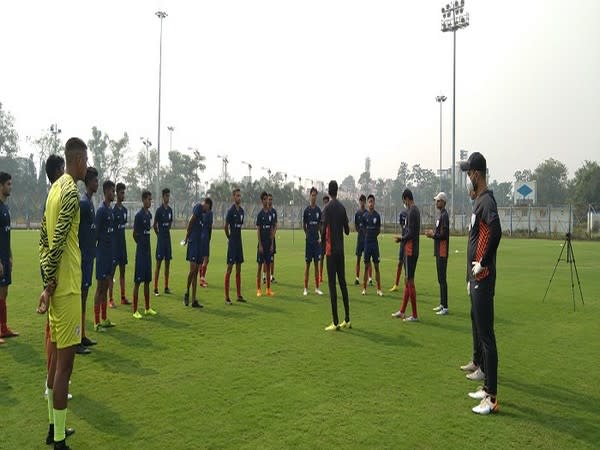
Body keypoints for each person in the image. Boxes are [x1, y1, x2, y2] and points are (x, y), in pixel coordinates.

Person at [37, 137, 88, 449]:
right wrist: (51, 283)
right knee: (64, 369)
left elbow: (43, 239)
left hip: (58, 287)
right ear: (79, 159)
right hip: (67, 289)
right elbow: (55, 240)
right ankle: (58, 441)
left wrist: (46, 278)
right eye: (85, 159)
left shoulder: (53, 189)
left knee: (55, 361)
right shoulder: (70, 191)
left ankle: (52, 428)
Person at [460, 152, 501, 415]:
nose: (467, 178)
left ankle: (492, 398)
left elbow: (496, 231)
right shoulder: (480, 202)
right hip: (476, 278)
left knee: (487, 336)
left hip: (483, 277)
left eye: (468, 173)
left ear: (477, 174)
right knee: (481, 329)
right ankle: (486, 389)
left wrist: (483, 262)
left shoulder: (487, 201)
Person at [461, 185, 485, 382]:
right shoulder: (474, 210)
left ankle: (482, 366)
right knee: (473, 316)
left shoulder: (484, 206)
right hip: (472, 273)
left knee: (480, 321)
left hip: (480, 274)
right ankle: (476, 360)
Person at [76, 167, 99, 355]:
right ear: (89, 182)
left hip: (89, 257)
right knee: (79, 298)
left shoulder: (90, 202)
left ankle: (82, 334)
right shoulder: (83, 203)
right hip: (82, 259)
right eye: (95, 181)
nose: (97, 183)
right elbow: (76, 233)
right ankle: (76, 339)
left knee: (84, 297)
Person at [322, 180, 350, 331]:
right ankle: (348, 318)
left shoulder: (327, 208)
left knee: (332, 286)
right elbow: (347, 230)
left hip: (331, 251)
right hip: (341, 251)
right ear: (337, 190)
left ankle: (335, 321)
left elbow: (323, 227)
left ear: (328, 191)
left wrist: (322, 239)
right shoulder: (342, 208)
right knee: (343, 283)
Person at [392, 189, 420, 322]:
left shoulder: (413, 211)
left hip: (411, 250)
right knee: (407, 280)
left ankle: (414, 315)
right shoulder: (411, 211)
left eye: (404, 201)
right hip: (408, 249)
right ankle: (402, 311)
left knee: (410, 281)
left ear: (407, 199)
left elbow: (412, 233)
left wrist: (401, 238)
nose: (404, 204)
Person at [93, 180, 117, 331]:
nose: (113, 193)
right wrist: (98, 253)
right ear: (106, 191)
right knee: (100, 288)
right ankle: (96, 322)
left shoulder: (110, 210)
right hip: (102, 254)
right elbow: (95, 234)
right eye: (112, 191)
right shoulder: (101, 210)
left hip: (110, 254)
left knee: (107, 285)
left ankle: (104, 318)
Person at [132, 190, 157, 319]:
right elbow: (134, 234)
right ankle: (135, 310)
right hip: (141, 253)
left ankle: (147, 308)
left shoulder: (149, 215)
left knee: (147, 281)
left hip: (148, 253)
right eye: (148, 199)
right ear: (143, 200)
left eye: (151, 199)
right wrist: (140, 244)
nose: (150, 201)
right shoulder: (139, 216)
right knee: (138, 282)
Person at [0, 172, 18, 342]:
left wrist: (10, 256)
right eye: (8, 184)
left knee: (4, 292)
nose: (10, 187)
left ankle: (3, 328)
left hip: (5, 257)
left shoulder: (6, 208)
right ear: (1, 186)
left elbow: (6, 236)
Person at [426, 192, 450, 315]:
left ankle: (445, 307)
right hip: (438, 251)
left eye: (438, 201)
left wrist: (433, 235)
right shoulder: (441, 215)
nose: (436, 203)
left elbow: (444, 235)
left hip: (442, 251)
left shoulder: (444, 216)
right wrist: (433, 233)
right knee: (440, 279)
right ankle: (442, 304)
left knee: (442, 279)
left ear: (443, 202)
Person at [109, 182, 129, 308]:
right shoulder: (113, 211)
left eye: (124, 192)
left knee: (123, 271)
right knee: (112, 273)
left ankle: (122, 297)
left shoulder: (125, 211)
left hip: (123, 245)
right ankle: (110, 299)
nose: (123, 195)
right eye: (121, 192)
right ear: (116, 194)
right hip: (114, 247)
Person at [224, 188, 246, 305]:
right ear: (233, 197)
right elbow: (225, 227)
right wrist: (230, 238)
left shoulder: (242, 211)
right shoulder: (230, 211)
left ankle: (238, 295)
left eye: (240, 196)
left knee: (239, 268)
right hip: (233, 242)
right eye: (237, 196)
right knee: (230, 268)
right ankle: (227, 297)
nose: (239, 197)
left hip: (239, 242)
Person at [302, 187, 323, 296]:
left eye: (315, 195)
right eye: (312, 195)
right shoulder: (307, 211)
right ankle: (305, 288)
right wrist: (308, 235)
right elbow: (304, 226)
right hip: (309, 242)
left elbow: (320, 226)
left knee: (316, 264)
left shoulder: (319, 211)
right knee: (308, 264)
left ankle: (317, 287)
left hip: (316, 242)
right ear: (310, 196)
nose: (314, 197)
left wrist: (320, 237)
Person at [361, 194, 383, 297]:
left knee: (376, 266)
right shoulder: (364, 216)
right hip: (367, 243)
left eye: (372, 202)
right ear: (367, 203)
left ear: (374, 203)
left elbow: (378, 230)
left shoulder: (377, 216)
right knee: (366, 266)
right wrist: (368, 236)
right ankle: (364, 288)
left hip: (374, 243)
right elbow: (363, 229)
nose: (371, 203)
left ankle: (379, 289)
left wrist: (373, 236)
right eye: (369, 202)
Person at [183, 199, 203, 308]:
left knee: (196, 272)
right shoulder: (199, 207)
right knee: (192, 269)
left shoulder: (203, 217)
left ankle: (194, 300)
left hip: (199, 245)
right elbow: (190, 221)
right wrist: (186, 237)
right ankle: (186, 293)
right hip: (193, 244)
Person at [153, 188, 173, 295]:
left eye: (169, 196)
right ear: (162, 197)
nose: (168, 198)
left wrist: (165, 232)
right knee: (158, 264)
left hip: (167, 239)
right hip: (161, 240)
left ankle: (166, 286)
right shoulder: (159, 210)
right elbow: (154, 225)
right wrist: (159, 235)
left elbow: (170, 224)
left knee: (168, 263)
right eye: (166, 196)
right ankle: (155, 288)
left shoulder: (170, 210)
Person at [256, 191, 275, 297]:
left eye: (267, 199)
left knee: (268, 266)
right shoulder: (260, 215)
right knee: (260, 267)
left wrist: (272, 244)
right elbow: (258, 230)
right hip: (262, 245)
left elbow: (272, 229)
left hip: (269, 244)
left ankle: (268, 289)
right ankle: (259, 289)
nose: (266, 201)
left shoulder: (271, 214)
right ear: (262, 201)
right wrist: (260, 245)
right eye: (264, 199)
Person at [389, 210, 407, 292]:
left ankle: (408, 286)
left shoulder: (412, 213)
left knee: (407, 266)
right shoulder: (402, 214)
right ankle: (396, 284)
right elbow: (404, 229)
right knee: (400, 263)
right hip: (403, 243)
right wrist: (401, 239)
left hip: (409, 243)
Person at [354, 194, 369, 285]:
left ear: (365, 202)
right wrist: (359, 231)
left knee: (367, 260)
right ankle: (357, 278)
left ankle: (370, 278)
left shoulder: (367, 213)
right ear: (359, 202)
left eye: (363, 201)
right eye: (360, 201)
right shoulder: (357, 214)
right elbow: (356, 225)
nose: (362, 202)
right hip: (360, 239)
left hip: (366, 239)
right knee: (358, 259)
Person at [198, 197, 213, 288]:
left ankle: (201, 278)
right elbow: (210, 226)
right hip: (205, 236)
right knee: (206, 259)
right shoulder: (209, 213)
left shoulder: (200, 212)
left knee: (201, 259)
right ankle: (202, 278)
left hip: (199, 236)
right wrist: (209, 237)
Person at [263, 193, 278, 283]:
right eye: (268, 199)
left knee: (272, 258)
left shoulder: (274, 212)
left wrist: (273, 235)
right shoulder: (264, 211)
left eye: (271, 199)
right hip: (265, 238)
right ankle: (264, 276)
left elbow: (275, 225)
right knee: (265, 258)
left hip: (272, 238)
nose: (270, 201)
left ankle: (272, 276)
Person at [319, 195, 329, 284]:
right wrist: (320, 236)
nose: (326, 204)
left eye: (327, 202)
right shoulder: (321, 213)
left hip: (329, 240)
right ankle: (320, 276)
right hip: (322, 239)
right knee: (321, 257)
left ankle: (330, 276)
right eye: (324, 202)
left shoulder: (331, 214)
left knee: (330, 259)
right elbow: (320, 226)